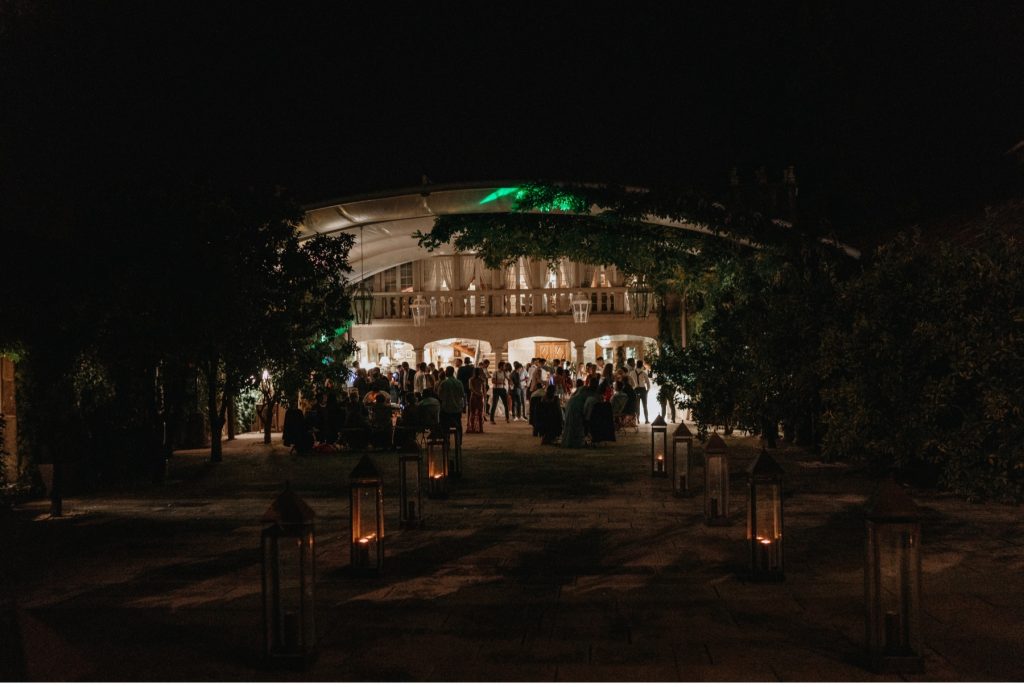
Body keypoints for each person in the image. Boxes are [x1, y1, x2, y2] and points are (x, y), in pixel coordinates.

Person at [437, 365, 465, 447]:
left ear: (447, 372)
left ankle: (446, 440)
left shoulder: (444, 383)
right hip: (457, 408)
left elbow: (440, 395)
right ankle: (459, 441)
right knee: (458, 425)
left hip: (446, 409)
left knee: (445, 425)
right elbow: (462, 394)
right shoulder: (459, 382)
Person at [467, 367, 487, 433]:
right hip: (480, 396)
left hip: (474, 396)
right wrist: (483, 395)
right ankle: (481, 428)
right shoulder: (482, 380)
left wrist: (476, 393)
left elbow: (471, 388)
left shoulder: (471, 379)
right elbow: (484, 390)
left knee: (472, 413)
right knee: (480, 413)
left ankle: (472, 428)